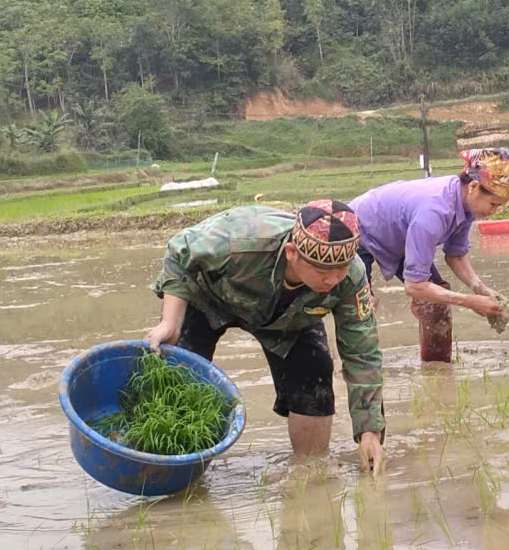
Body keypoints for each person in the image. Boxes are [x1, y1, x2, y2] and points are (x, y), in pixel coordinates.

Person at [143, 199, 386, 473]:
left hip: (289, 318)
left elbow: (363, 354)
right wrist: (170, 322)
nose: (332, 281)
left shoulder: (351, 277)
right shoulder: (241, 240)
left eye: (340, 271)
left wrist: (370, 431)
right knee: (178, 373)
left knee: (315, 372)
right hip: (209, 296)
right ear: (292, 253)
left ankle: (310, 472)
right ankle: (172, 469)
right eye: (321, 271)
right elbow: (179, 251)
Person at [351, 148, 509, 364]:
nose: (494, 211)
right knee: (363, 307)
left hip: (399, 237)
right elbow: (415, 286)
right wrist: (471, 302)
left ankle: (436, 369)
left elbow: (455, 255)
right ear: (474, 187)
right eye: (493, 204)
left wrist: (482, 290)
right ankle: (361, 372)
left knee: (436, 303)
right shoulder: (434, 212)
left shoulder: (467, 206)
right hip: (359, 230)